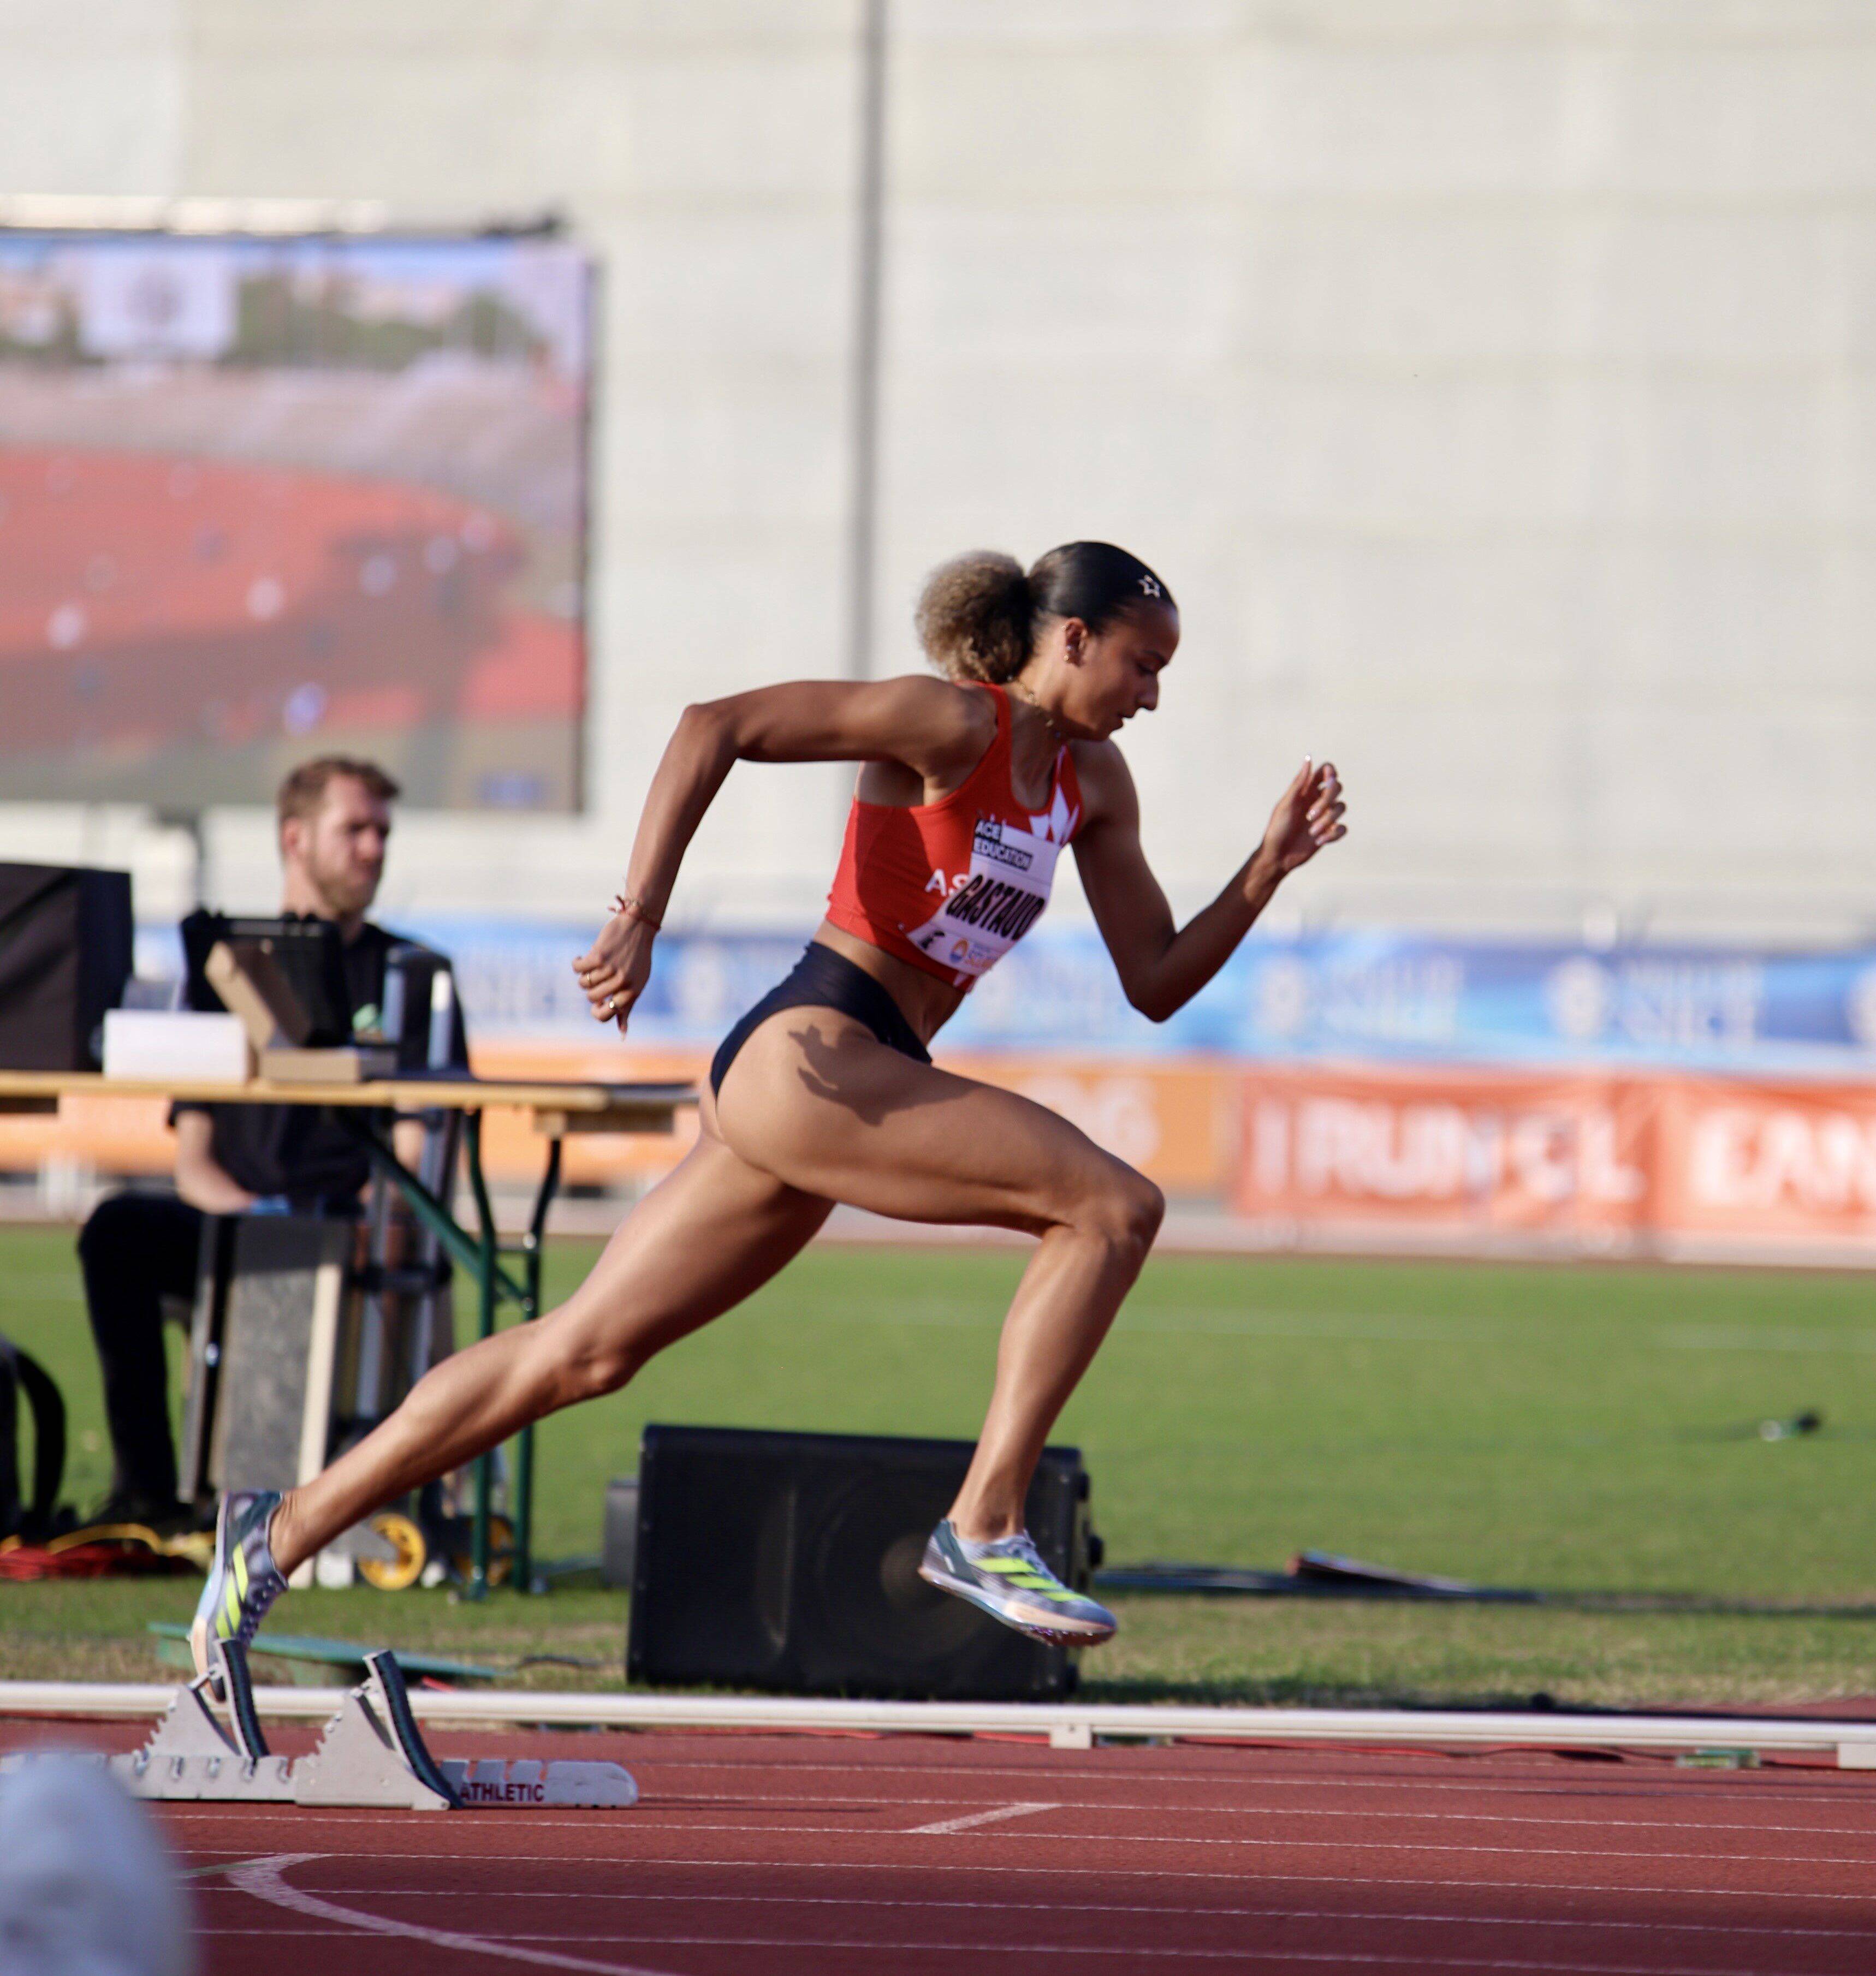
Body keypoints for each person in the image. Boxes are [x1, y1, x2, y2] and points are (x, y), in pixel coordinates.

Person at [192, 542, 1345, 1671]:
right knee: (1111, 1207)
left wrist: (1265, 869)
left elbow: (1154, 980)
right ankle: (985, 1523)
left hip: (845, 1076)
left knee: (583, 1354)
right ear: (1074, 639)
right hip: (813, 1052)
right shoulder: (952, 722)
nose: (1152, 696)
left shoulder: (1093, 786)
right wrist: (640, 915)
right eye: (1142, 665)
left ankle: (276, 1533)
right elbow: (715, 726)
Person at [77, 756, 461, 1530]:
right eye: (354, 830)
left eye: (382, 833)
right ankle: (151, 1501)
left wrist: (331, 1224)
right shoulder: (223, 967)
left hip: (350, 1229)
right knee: (116, 1232)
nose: (373, 849)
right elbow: (193, 1162)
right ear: (295, 838)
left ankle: (384, 1498)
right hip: (235, 1223)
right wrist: (257, 1219)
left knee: (390, 1254)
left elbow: (417, 1164)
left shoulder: (413, 976)